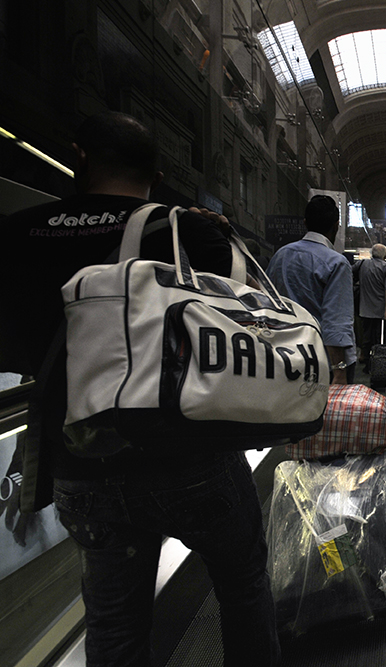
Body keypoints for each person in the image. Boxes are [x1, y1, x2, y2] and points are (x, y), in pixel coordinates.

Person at [0, 111, 279, 666]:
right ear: (156, 172)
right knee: (243, 587)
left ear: (78, 156)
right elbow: (245, 320)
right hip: (192, 455)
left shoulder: (18, 235)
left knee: (114, 624)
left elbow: (11, 351)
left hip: (84, 463)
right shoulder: (186, 230)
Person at [266, 195, 356, 384]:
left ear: (305, 222)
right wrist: (339, 371)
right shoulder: (336, 263)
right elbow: (335, 321)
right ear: (336, 225)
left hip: (280, 352)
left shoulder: (280, 256)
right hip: (320, 358)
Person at [356, 243, 386, 373]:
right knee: (380, 339)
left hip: (364, 309)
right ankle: (379, 365)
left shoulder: (361, 264)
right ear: (385, 255)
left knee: (366, 337)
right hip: (381, 311)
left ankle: (367, 362)